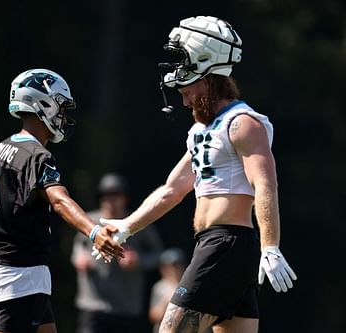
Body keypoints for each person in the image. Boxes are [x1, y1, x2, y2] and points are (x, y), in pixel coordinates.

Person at [94, 16, 298, 333]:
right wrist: (125, 226)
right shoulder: (202, 130)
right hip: (216, 246)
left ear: (206, 69)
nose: (183, 95)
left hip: (225, 246)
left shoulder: (243, 123)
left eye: (184, 69)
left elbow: (265, 185)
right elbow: (172, 190)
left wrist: (270, 246)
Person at [0, 68, 125, 333]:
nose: (63, 115)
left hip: (10, 269)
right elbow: (59, 200)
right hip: (20, 274)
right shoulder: (37, 156)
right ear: (43, 104)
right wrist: (94, 230)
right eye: (60, 107)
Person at [71, 173, 163, 333]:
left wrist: (138, 260)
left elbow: (159, 255)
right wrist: (79, 258)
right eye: (106, 196)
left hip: (126, 307)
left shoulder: (137, 223)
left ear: (125, 198)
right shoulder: (89, 221)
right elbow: (78, 246)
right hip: (93, 304)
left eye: (116, 195)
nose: (110, 200)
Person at [148, 248, 187, 333]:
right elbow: (153, 316)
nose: (173, 270)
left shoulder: (190, 286)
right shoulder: (159, 287)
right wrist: (167, 303)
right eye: (169, 266)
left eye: (177, 265)